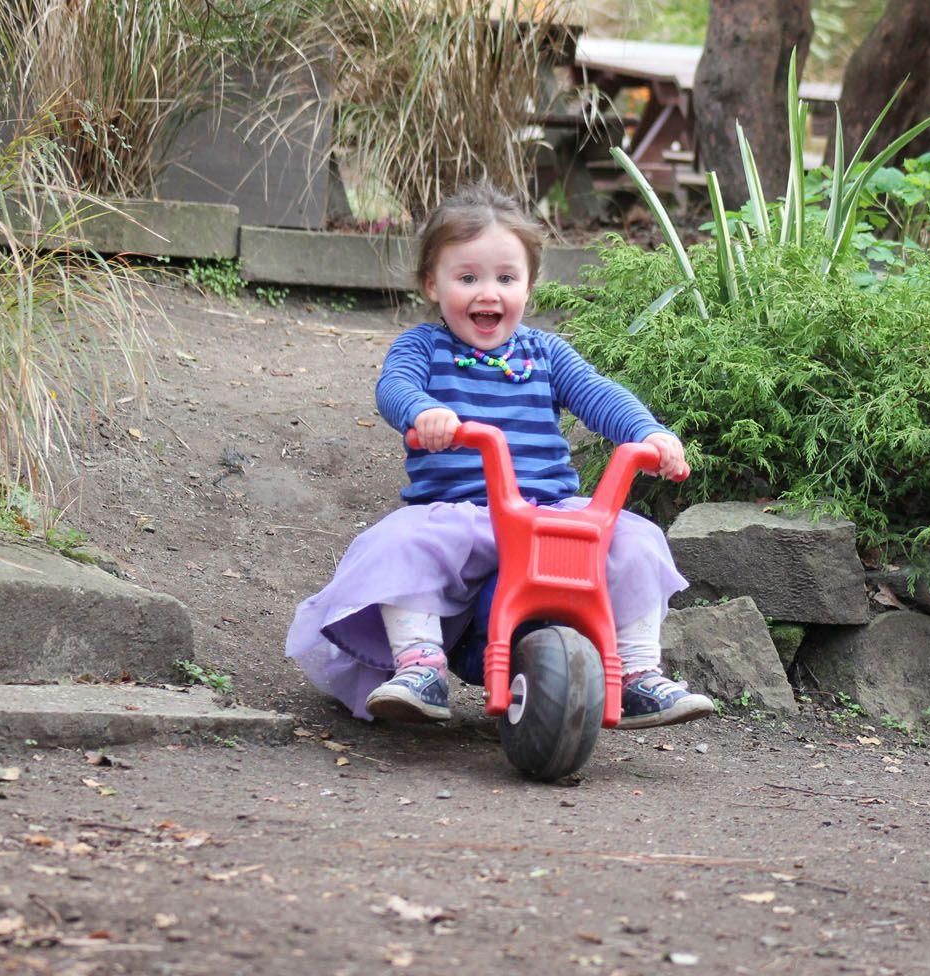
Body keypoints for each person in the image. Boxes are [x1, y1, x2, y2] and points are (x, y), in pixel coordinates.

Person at [285, 182, 713, 730]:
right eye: (467, 278)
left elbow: (599, 394)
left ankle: (634, 673)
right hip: (462, 515)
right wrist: (422, 413)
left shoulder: (546, 354)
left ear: (528, 287)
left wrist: (648, 434)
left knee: (637, 540)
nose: (488, 292)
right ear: (432, 285)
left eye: (505, 278)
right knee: (397, 542)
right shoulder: (423, 348)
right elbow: (394, 388)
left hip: (547, 513)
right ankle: (419, 663)